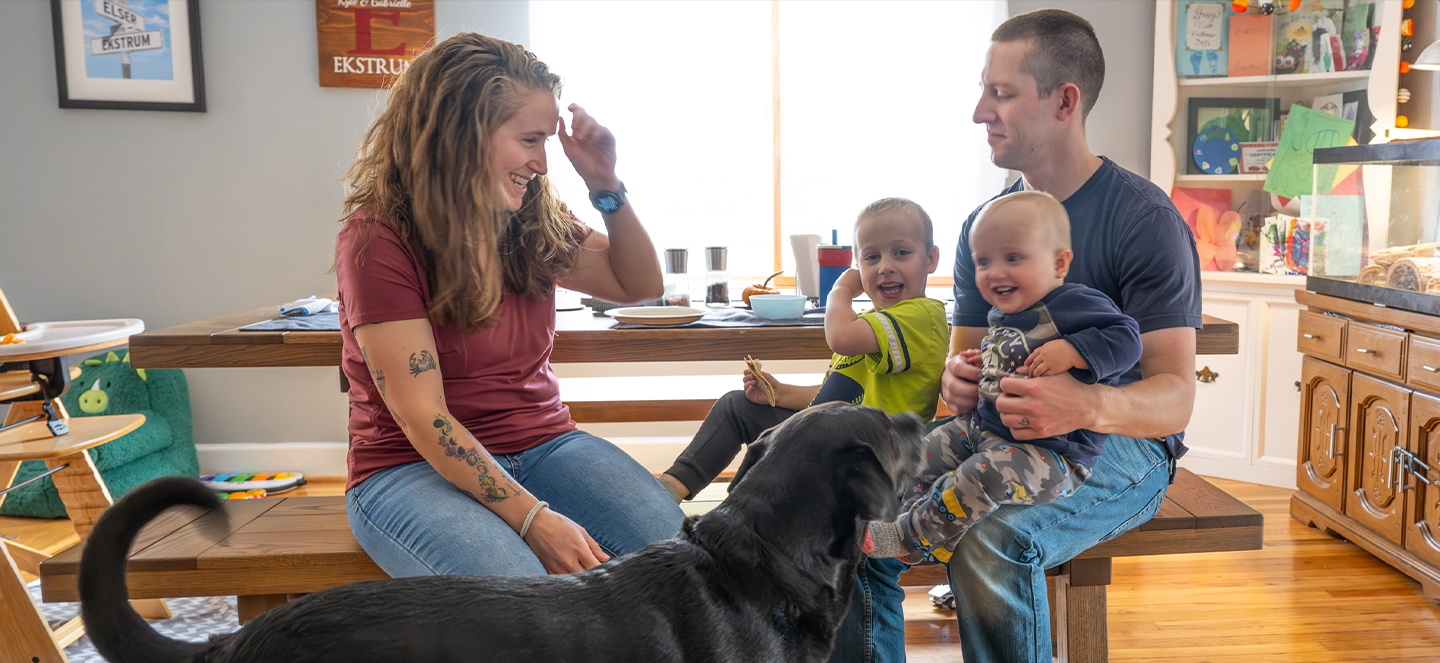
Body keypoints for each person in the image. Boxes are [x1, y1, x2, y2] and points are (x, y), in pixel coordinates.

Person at [843, 9, 1203, 663]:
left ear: (1063, 101)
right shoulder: (986, 227)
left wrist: (1086, 402)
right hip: (997, 435)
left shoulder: (1144, 219)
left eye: (1000, 93)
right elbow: (966, 369)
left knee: (989, 538)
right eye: (984, 91)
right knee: (853, 504)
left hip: (1118, 448)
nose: (979, 111)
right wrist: (960, 380)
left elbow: (1174, 397)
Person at [334, 32, 683, 579]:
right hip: (407, 466)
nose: (543, 164)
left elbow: (637, 284)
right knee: (523, 601)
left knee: (687, 569)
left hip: (543, 444)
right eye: (529, 140)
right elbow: (422, 417)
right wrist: (533, 519)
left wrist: (604, 183)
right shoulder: (377, 239)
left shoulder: (531, 218)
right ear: (463, 134)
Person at [863, 190, 1142, 564]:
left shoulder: (1074, 304)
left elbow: (1127, 340)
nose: (995, 272)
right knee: (918, 454)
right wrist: (977, 365)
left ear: (1059, 264)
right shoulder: (1004, 312)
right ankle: (925, 529)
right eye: (983, 261)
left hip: (1051, 456)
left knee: (979, 476)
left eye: (1013, 258)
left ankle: (908, 540)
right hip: (982, 429)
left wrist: (1074, 351)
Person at [659, 197, 947, 501]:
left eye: (901, 253)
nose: (885, 267)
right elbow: (837, 397)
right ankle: (671, 488)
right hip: (833, 438)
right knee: (737, 408)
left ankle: (744, 517)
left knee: (774, 453)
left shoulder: (922, 317)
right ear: (859, 265)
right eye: (872, 257)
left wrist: (841, 289)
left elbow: (839, 338)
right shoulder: (870, 324)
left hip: (871, 463)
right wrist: (781, 392)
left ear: (930, 259)